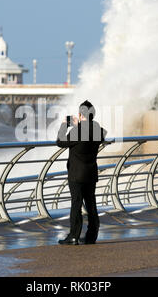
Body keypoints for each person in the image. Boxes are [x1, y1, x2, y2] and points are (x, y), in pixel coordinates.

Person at [56, 100, 107, 245]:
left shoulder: (77, 131)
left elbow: (60, 141)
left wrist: (65, 124)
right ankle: (91, 236)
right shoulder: (97, 128)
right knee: (91, 204)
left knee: (76, 205)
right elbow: (101, 134)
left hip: (76, 174)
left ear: (80, 114)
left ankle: (74, 236)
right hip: (91, 173)